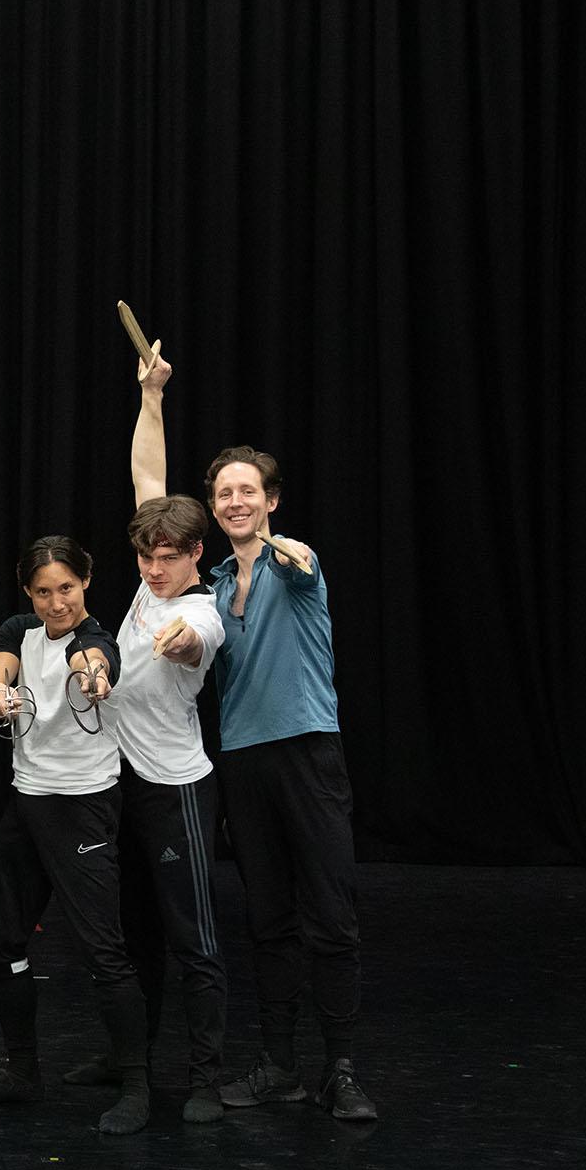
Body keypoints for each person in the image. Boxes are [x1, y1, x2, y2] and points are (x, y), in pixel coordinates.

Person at [206, 443, 379, 1120]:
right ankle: (279, 1065)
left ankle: (340, 1069)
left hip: (308, 754)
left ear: (270, 501)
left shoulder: (293, 565)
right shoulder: (216, 585)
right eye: (224, 494)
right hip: (244, 763)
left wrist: (294, 553)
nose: (236, 503)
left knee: (332, 921)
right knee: (268, 921)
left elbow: (301, 563)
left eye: (248, 491)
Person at [0, 537, 151, 1133]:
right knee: (1, 942)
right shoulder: (19, 629)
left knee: (104, 950)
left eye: (66, 589)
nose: (55, 603)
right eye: (43, 591)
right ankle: (23, 1070)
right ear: (28, 592)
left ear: (87, 581)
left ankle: (136, 1083)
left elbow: (92, 660)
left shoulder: (96, 637)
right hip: (27, 803)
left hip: (84, 806)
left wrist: (93, 674)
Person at [94, 348, 231, 1123]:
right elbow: (152, 477)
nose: (152, 568)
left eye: (168, 557)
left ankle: (206, 1077)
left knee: (194, 938)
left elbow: (191, 638)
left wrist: (175, 638)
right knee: (134, 935)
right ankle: (133, 1067)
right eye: (145, 556)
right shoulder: (154, 561)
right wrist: (150, 395)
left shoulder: (201, 612)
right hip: (122, 791)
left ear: (194, 558)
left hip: (178, 788)